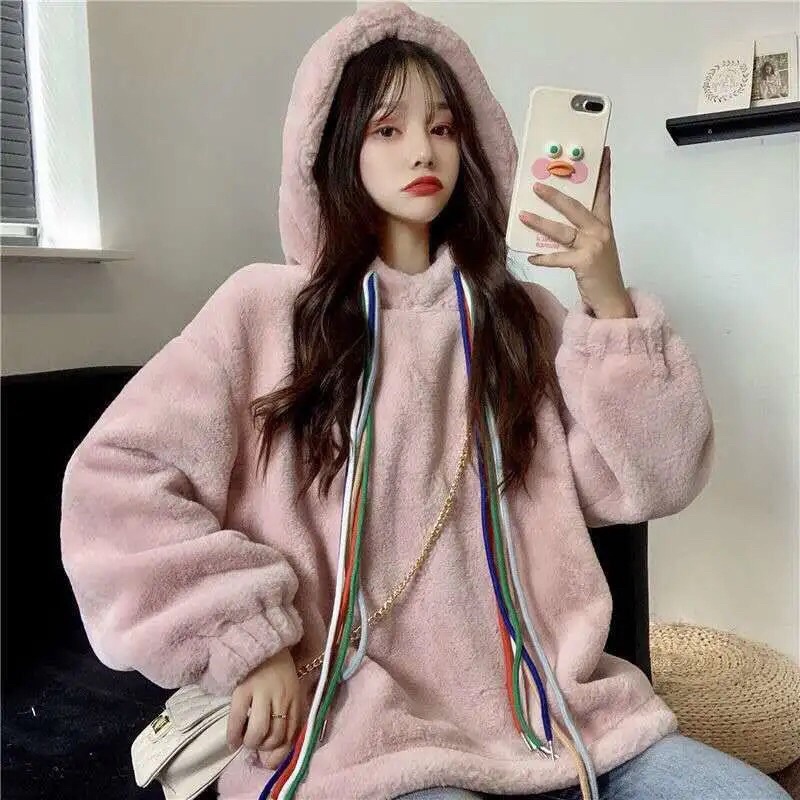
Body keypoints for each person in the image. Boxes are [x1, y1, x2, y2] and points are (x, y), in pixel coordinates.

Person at [59, 3, 786, 800]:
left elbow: (652, 479)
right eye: (388, 129)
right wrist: (248, 640)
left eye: (443, 128)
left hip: (561, 718)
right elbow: (115, 482)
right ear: (336, 146)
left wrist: (605, 292)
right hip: (363, 733)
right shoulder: (264, 313)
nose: (423, 150)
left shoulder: (519, 319)